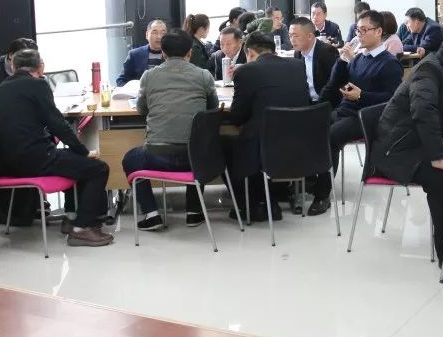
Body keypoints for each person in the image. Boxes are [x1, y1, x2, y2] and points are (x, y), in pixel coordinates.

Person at [372, 32, 443, 280]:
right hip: (398, 151)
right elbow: (423, 111)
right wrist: (437, 157)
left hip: (421, 142)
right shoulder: (428, 71)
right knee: (442, 179)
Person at [0, 49, 113, 247]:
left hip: (5, 163)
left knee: (74, 160)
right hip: (35, 160)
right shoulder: (38, 84)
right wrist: (83, 151)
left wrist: (77, 152)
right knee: (98, 168)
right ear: (41, 68)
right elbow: (57, 124)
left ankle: (71, 218)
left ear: (13, 67)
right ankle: (82, 228)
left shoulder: (2, 87)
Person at [122, 30, 219, 231]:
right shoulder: (204, 75)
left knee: (130, 158)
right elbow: (212, 109)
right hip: (194, 158)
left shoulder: (149, 76)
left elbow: (142, 109)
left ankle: (151, 213)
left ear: (163, 53)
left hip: (157, 156)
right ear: (190, 52)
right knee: (197, 143)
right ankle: (194, 211)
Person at [308, 11, 403, 215]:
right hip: (346, 110)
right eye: (357, 30)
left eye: (364, 30)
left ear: (379, 31)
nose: (359, 34)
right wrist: (342, 60)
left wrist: (361, 96)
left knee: (331, 137)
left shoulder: (389, 63)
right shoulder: (360, 57)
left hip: (367, 117)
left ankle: (322, 194)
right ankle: (311, 179)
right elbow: (338, 83)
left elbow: (392, 100)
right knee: (312, 125)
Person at [228, 32, 308, 221]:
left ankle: (252, 205)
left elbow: (237, 117)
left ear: (249, 53)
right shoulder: (298, 66)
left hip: (261, 147)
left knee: (227, 147)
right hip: (299, 142)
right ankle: (271, 199)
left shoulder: (246, 71)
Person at [290, 16, 339, 103]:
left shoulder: (328, 52)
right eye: (290, 36)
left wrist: (318, 104)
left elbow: (333, 84)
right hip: (307, 101)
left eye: (296, 36)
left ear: (309, 36)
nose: (292, 40)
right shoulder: (297, 53)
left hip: (325, 102)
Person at [117, 19, 168, 86]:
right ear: (147, 35)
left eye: (163, 33)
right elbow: (121, 80)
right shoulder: (134, 55)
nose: (159, 37)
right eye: (154, 32)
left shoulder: (173, 54)